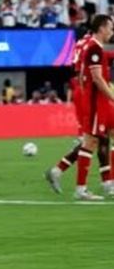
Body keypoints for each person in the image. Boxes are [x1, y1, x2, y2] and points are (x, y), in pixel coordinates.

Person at [49, 15, 114, 200]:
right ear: (101, 28)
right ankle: (82, 187)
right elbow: (97, 78)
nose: (112, 31)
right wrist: (112, 97)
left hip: (93, 98)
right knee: (91, 142)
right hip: (95, 100)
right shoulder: (93, 47)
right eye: (110, 27)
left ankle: (103, 182)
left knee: (97, 139)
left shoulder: (90, 45)